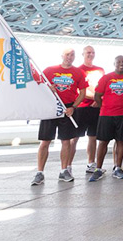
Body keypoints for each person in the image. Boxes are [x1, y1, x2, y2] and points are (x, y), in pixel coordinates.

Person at [32, 48, 87, 186]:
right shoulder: (49, 70)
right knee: (45, 141)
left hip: (67, 108)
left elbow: (82, 92)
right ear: (62, 55)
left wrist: (73, 107)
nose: (69, 57)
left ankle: (64, 171)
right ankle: (40, 173)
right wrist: (47, 89)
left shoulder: (78, 72)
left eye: (72, 55)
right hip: (51, 107)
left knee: (66, 141)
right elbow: (37, 86)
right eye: (67, 54)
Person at [89, 56, 123, 182]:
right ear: (114, 63)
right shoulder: (106, 77)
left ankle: (118, 168)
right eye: (118, 62)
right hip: (106, 115)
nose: (121, 64)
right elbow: (97, 95)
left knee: (121, 141)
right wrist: (103, 107)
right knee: (103, 142)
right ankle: (98, 169)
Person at [76, 45, 105, 175]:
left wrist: (98, 100)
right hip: (82, 107)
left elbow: (102, 87)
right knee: (74, 137)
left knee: (92, 137)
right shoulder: (77, 70)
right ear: (83, 54)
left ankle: (91, 163)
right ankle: (68, 166)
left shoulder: (100, 70)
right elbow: (78, 90)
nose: (90, 54)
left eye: (93, 52)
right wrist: (95, 98)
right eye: (88, 52)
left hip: (96, 108)